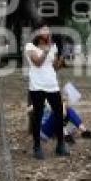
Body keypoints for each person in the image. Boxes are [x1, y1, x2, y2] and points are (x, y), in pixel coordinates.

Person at [25, 24, 68, 159]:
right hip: (37, 86)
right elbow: (37, 63)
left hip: (52, 85)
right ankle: (37, 147)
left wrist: (61, 58)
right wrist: (46, 51)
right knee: (38, 115)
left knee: (59, 113)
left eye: (48, 29)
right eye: (44, 30)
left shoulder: (53, 46)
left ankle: (60, 145)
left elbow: (54, 67)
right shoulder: (30, 47)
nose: (47, 32)